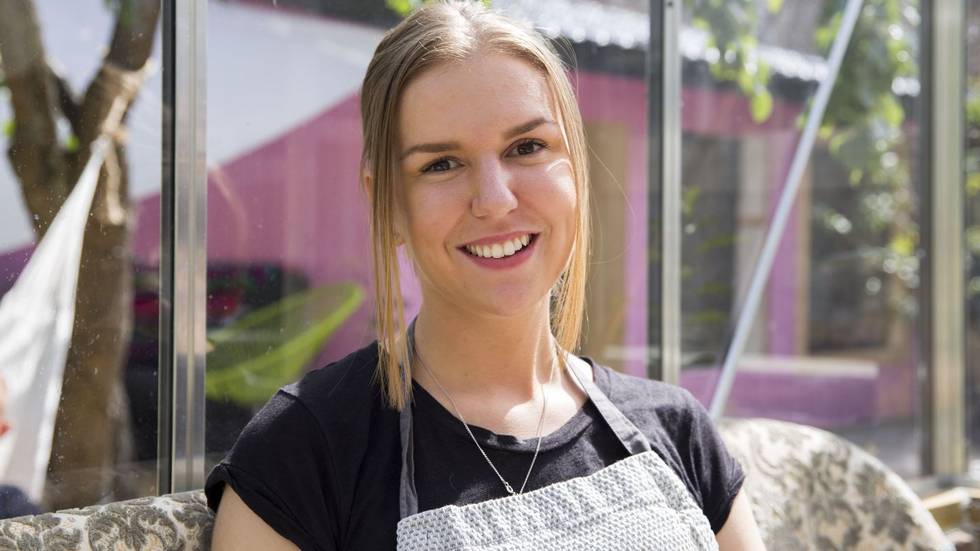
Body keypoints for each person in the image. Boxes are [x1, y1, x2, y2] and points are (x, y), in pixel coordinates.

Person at [208, 2, 766, 549]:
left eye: (527, 147)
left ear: (575, 170)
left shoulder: (677, 429)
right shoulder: (304, 449)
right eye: (441, 164)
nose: (495, 200)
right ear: (388, 204)